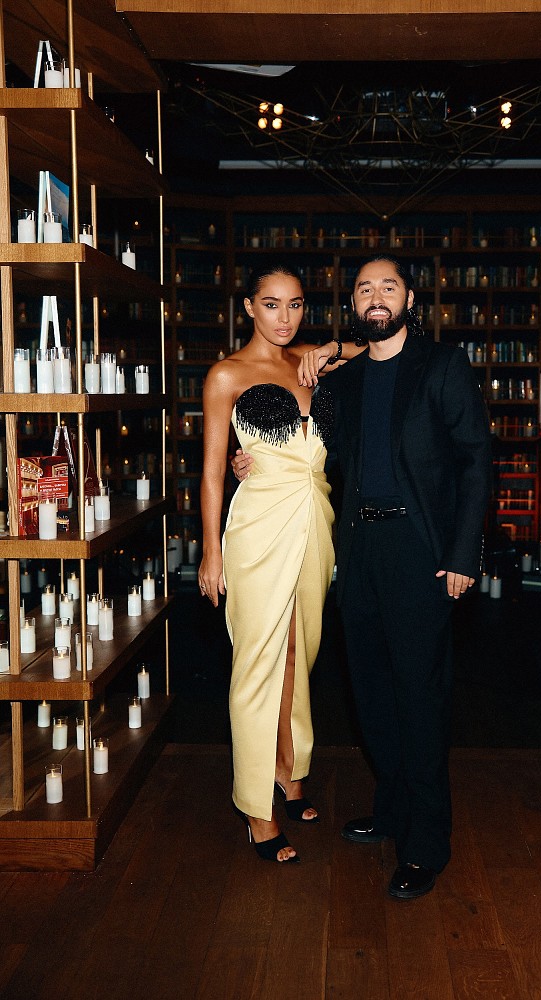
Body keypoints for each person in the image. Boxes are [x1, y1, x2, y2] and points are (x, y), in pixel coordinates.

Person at [233, 254, 492, 897]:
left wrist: (463, 555)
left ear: (410, 298)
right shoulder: (343, 382)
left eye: (389, 287)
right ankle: (392, 808)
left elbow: (476, 461)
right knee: (371, 693)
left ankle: (425, 843)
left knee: (420, 696)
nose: (377, 297)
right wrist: (253, 461)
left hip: (419, 550)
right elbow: (312, 452)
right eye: (365, 288)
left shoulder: (442, 366)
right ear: (353, 303)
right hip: (356, 549)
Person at [198, 262, 336, 863]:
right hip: (256, 529)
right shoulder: (227, 374)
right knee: (257, 663)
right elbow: (211, 472)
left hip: (317, 525)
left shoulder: (313, 361)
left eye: (296, 304)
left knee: (299, 655)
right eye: (272, 304)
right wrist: (211, 553)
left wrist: (330, 347)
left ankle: (288, 767)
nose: (285, 316)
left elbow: (379, 341)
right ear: (249, 307)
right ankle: (257, 807)